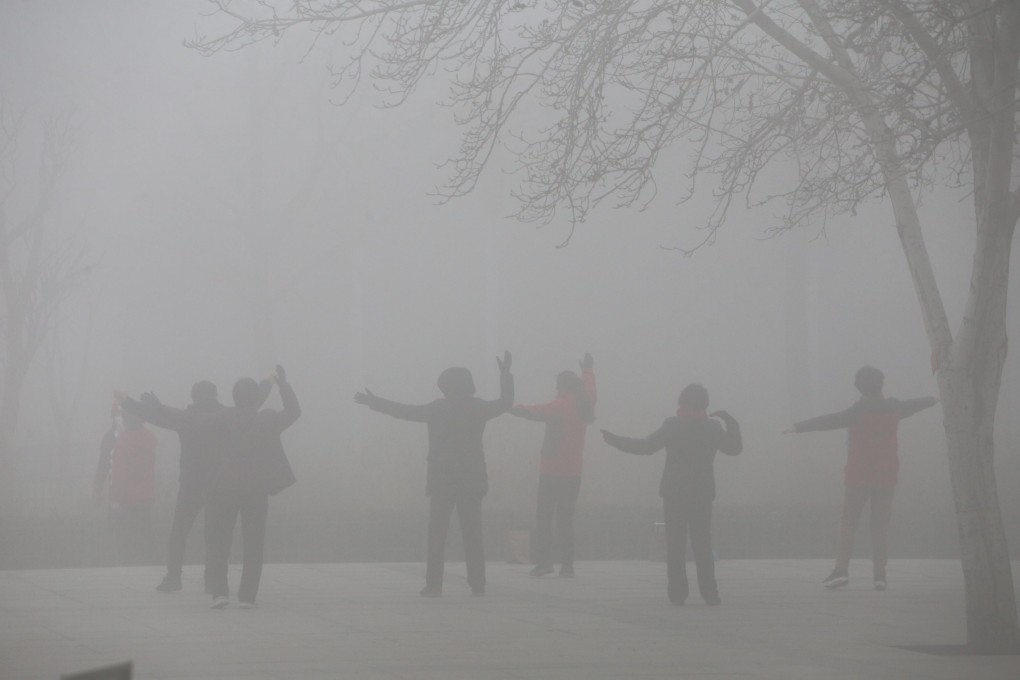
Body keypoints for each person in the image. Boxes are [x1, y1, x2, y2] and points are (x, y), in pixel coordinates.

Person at [122, 366, 300, 609]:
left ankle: (208, 588)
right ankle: (243, 595)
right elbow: (279, 408)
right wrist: (280, 385)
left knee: (209, 539)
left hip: (216, 487)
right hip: (252, 489)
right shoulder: (254, 418)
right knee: (252, 543)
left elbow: (178, 418)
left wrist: (147, 405)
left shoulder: (217, 418)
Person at [354, 351, 514, 597]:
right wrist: (505, 375)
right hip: (472, 478)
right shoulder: (478, 407)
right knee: (473, 533)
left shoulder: (438, 409)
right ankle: (478, 583)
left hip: (442, 479)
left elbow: (403, 411)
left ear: (445, 386)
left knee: (437, 533)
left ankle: (434, 584)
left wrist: (374, 402)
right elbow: (505, 402)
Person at [783, 366, 936, 590]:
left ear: (859, 387)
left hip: (858, 475)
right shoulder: (895, 408)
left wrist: (798, 427)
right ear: (881, 384)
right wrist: (933, 398)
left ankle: (841, 570)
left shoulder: (856, 413)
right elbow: (916, 403)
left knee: (848, 523)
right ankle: (880, 576)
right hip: (886, 475)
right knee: (880, 525)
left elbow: (828, 421)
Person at [602, 384, 742, 605]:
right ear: (704, 404)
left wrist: (617, 441)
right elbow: (735, 449)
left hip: (674, 493)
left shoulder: (673, 425)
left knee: (675, 544)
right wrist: (731, 422)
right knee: (702, 544)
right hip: (702, 494)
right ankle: (710, 593)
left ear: (683, 403)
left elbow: (646, 446)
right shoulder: (713, 428)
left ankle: (677, 593)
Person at [509, 353, 596, 578]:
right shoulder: (585, 403)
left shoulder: (561, 405)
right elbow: (591, 391)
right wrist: (588, 370)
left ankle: (545, 562)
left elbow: (537, 411)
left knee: (544, 517)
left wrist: (514, 408)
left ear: (562, 386)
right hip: (573, 471)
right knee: (566, 519)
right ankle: (568, 565)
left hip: (551, 470)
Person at [94, 400, 158, 564]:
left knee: (123, 537)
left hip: (123, 498)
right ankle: (147, 565)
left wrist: (101, 492)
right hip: (145, 496)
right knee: (144, 534)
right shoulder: (150, 437)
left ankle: (126, 565)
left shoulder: (119, 440)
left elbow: (112, 470)